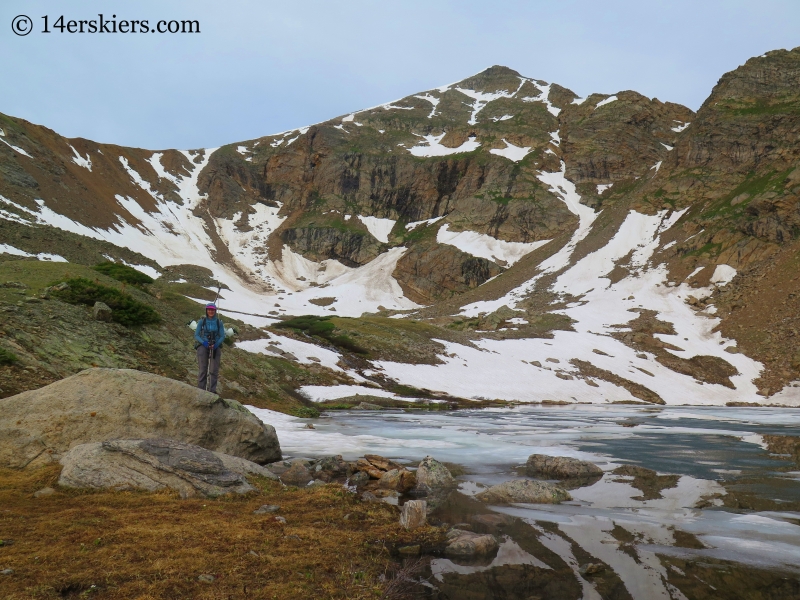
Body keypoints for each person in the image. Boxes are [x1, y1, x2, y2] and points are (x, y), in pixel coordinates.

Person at [194, 303, 226, 393]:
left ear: (215, 311)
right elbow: (196, 335)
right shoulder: (202, 321)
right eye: (209, 310)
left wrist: (216, 344)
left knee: (213, 370)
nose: (210, 311)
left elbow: (222, 336)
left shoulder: (219, 322)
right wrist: (204, 343)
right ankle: (201, 391)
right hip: (203, 345)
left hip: (215, 346)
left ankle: (212, 391)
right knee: (203, 369)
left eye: (212, 310)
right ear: (206, 310)